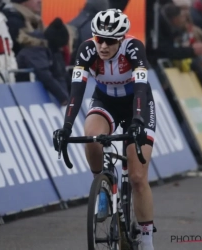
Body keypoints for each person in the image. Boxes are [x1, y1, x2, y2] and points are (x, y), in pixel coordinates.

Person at [53, 9, 156, 250]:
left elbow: (141, 88)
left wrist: (138, 121)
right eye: (99, 38)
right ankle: (102, 187)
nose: (104, 45)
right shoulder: (87, 50)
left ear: (121, 39)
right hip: (105, 101)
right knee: (91, 138)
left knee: (138, 177)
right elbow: (76, 92)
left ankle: (147, 240)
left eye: (110, 41)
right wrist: (67, 126)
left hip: (136, 105)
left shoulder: (133, 48)